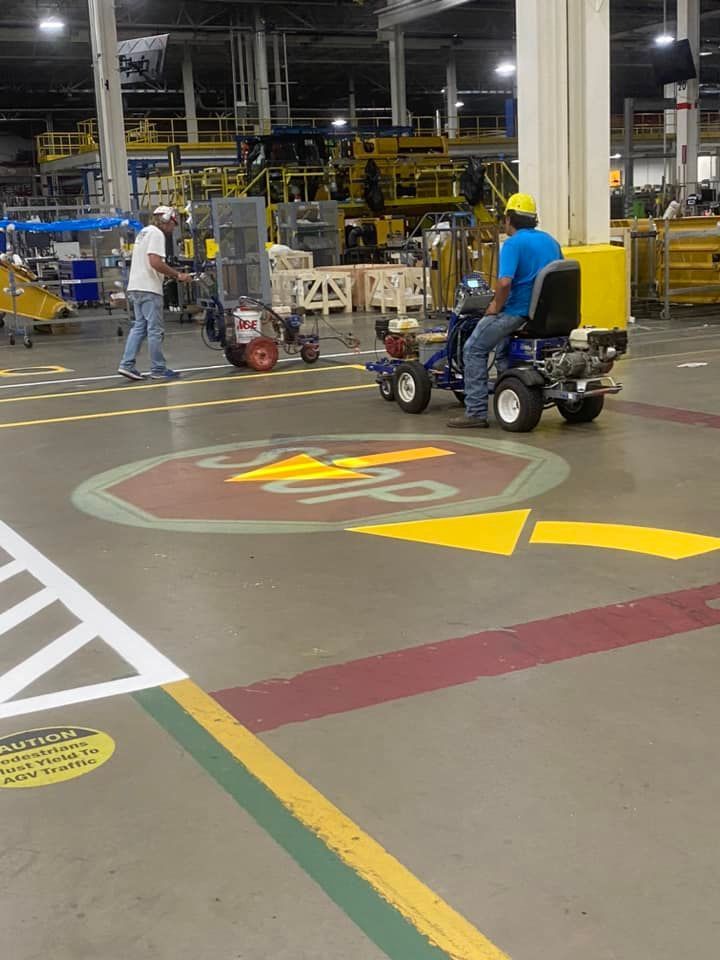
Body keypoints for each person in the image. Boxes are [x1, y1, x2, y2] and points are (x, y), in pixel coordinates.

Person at [447, 193, 562, 428]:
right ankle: (508, 389)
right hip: (547, 315)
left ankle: (476, 412)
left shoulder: (513, 244)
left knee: (473, 349)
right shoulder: (551, 241)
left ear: (509, 218)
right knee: (502, 348)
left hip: (517, 313)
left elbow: (504, 283)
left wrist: (494, 306)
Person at [118, 205, 191, 381]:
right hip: (149, 288)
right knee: (155, 330)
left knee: (139, 326)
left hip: (136, 286)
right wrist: (177, 275)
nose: (173, 228)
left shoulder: (144, 232)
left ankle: (126, 365)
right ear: (166, 220)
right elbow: (155, 261)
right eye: (173, 223)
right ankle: (158, 368)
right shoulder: (157, 234)